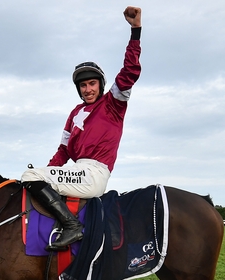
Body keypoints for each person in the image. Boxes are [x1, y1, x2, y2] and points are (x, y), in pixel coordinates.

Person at [22, 6, 142, 251]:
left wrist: (135, 31)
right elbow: (63, 151)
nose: (88, 89)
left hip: (95, 174)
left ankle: (72, 226)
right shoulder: (74, 113)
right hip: (76, 171)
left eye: (92, 84)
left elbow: (129, 72)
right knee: (33, 176)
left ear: (100, 85)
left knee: (29, 176)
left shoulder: (113, 105)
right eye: (83, 85)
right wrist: (46, 172)